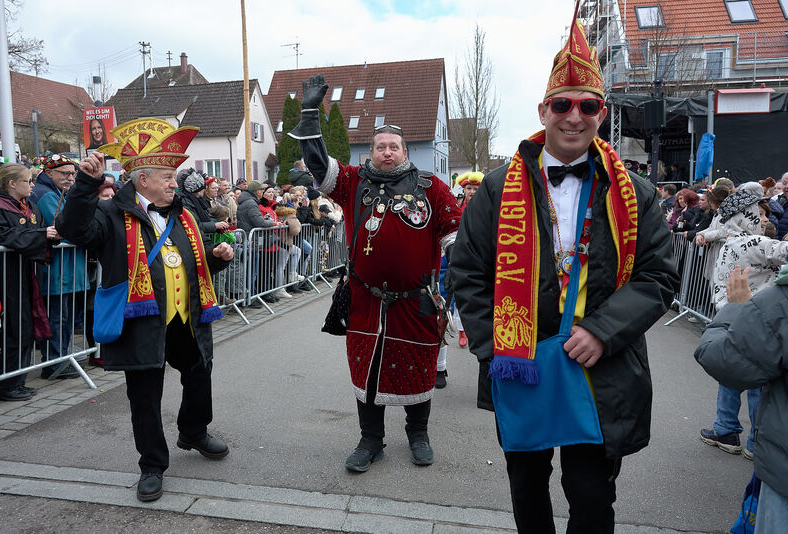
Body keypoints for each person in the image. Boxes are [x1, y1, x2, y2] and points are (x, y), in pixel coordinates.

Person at [449, 10, 678, 532]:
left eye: (588, 106)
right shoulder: (496, 186)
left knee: (592, 499)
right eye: (563, 104)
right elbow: (467, 272)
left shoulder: (636, 195)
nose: (574, 117)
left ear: (602, 112)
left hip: (601, 369)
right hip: (522, 364)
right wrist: (497, 345)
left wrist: (602, 331)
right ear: (544, 110)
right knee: (527, 492)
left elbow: (658, 277)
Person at [56, 117, 234, 503]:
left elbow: (194, 261)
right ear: (143, 181)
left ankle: (194, 430)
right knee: (145, 397)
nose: (175, 183)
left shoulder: (183, 214)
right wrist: (85, 184)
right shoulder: (110, 215)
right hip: (141, 322)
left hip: (186, 318)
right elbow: (72, 230)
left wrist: (218, 258)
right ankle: (152, 465)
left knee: (200, 375)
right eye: (168, 177)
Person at [289, 75, 461, 472]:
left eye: (394, 147)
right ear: (373, 150)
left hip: (415, 300)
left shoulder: (432, 187)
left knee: (418, 369)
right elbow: (317, 163)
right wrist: (310, 115)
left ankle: (419, 435)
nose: (387, 152)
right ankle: (371, 441)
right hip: (365, 300)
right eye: (380, 146)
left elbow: (455, 234)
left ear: (404, 151)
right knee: (366, 368)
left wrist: (463, 281)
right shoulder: (352, 181)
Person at [694, 265, 788, 533]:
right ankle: (740, 436)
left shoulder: (779, 301)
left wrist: (738, 310)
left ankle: (726, 428)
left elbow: (724, 359)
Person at [0, 164, 57, 401]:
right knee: (14, 329)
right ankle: (4, 385)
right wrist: (41, 235)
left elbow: (35, 232)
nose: (32, 185)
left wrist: (51, 236)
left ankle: (16, 380)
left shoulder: (30, 207)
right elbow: (1, 236)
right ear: (12, 184)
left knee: (25, 328)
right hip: (5, 278)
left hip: (26, 276)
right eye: (28, 181)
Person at [30, 154, 87, 379]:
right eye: (65, 173)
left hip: (68, 269)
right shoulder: (44, 195)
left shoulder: (59, 192)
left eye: (72, 174)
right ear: (49, 172)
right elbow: (65, 225)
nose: (70, 178)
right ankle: (54, 362)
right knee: (57, 317)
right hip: (56, 269)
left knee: (65, 317)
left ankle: (61, 359)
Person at [452, 171, 484, 350]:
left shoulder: (487, 207)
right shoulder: (457, 207)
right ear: (464, 190)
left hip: (480, 255)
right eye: (469, 188)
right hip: (461, 254)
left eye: (475, 188)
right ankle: (462, 329)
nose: (472, 192)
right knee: (459, 294)